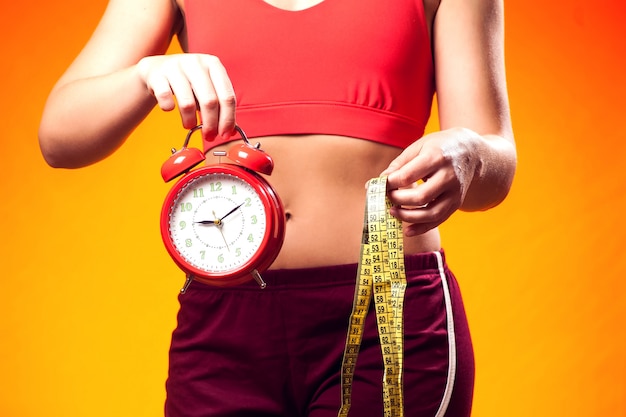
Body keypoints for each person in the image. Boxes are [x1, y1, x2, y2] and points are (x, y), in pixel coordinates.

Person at [38, 0, 517, 416]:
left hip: (386, 314)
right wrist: (143, 75)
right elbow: (60, 139)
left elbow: (496, 166)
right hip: (226, 317)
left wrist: (469, 154)